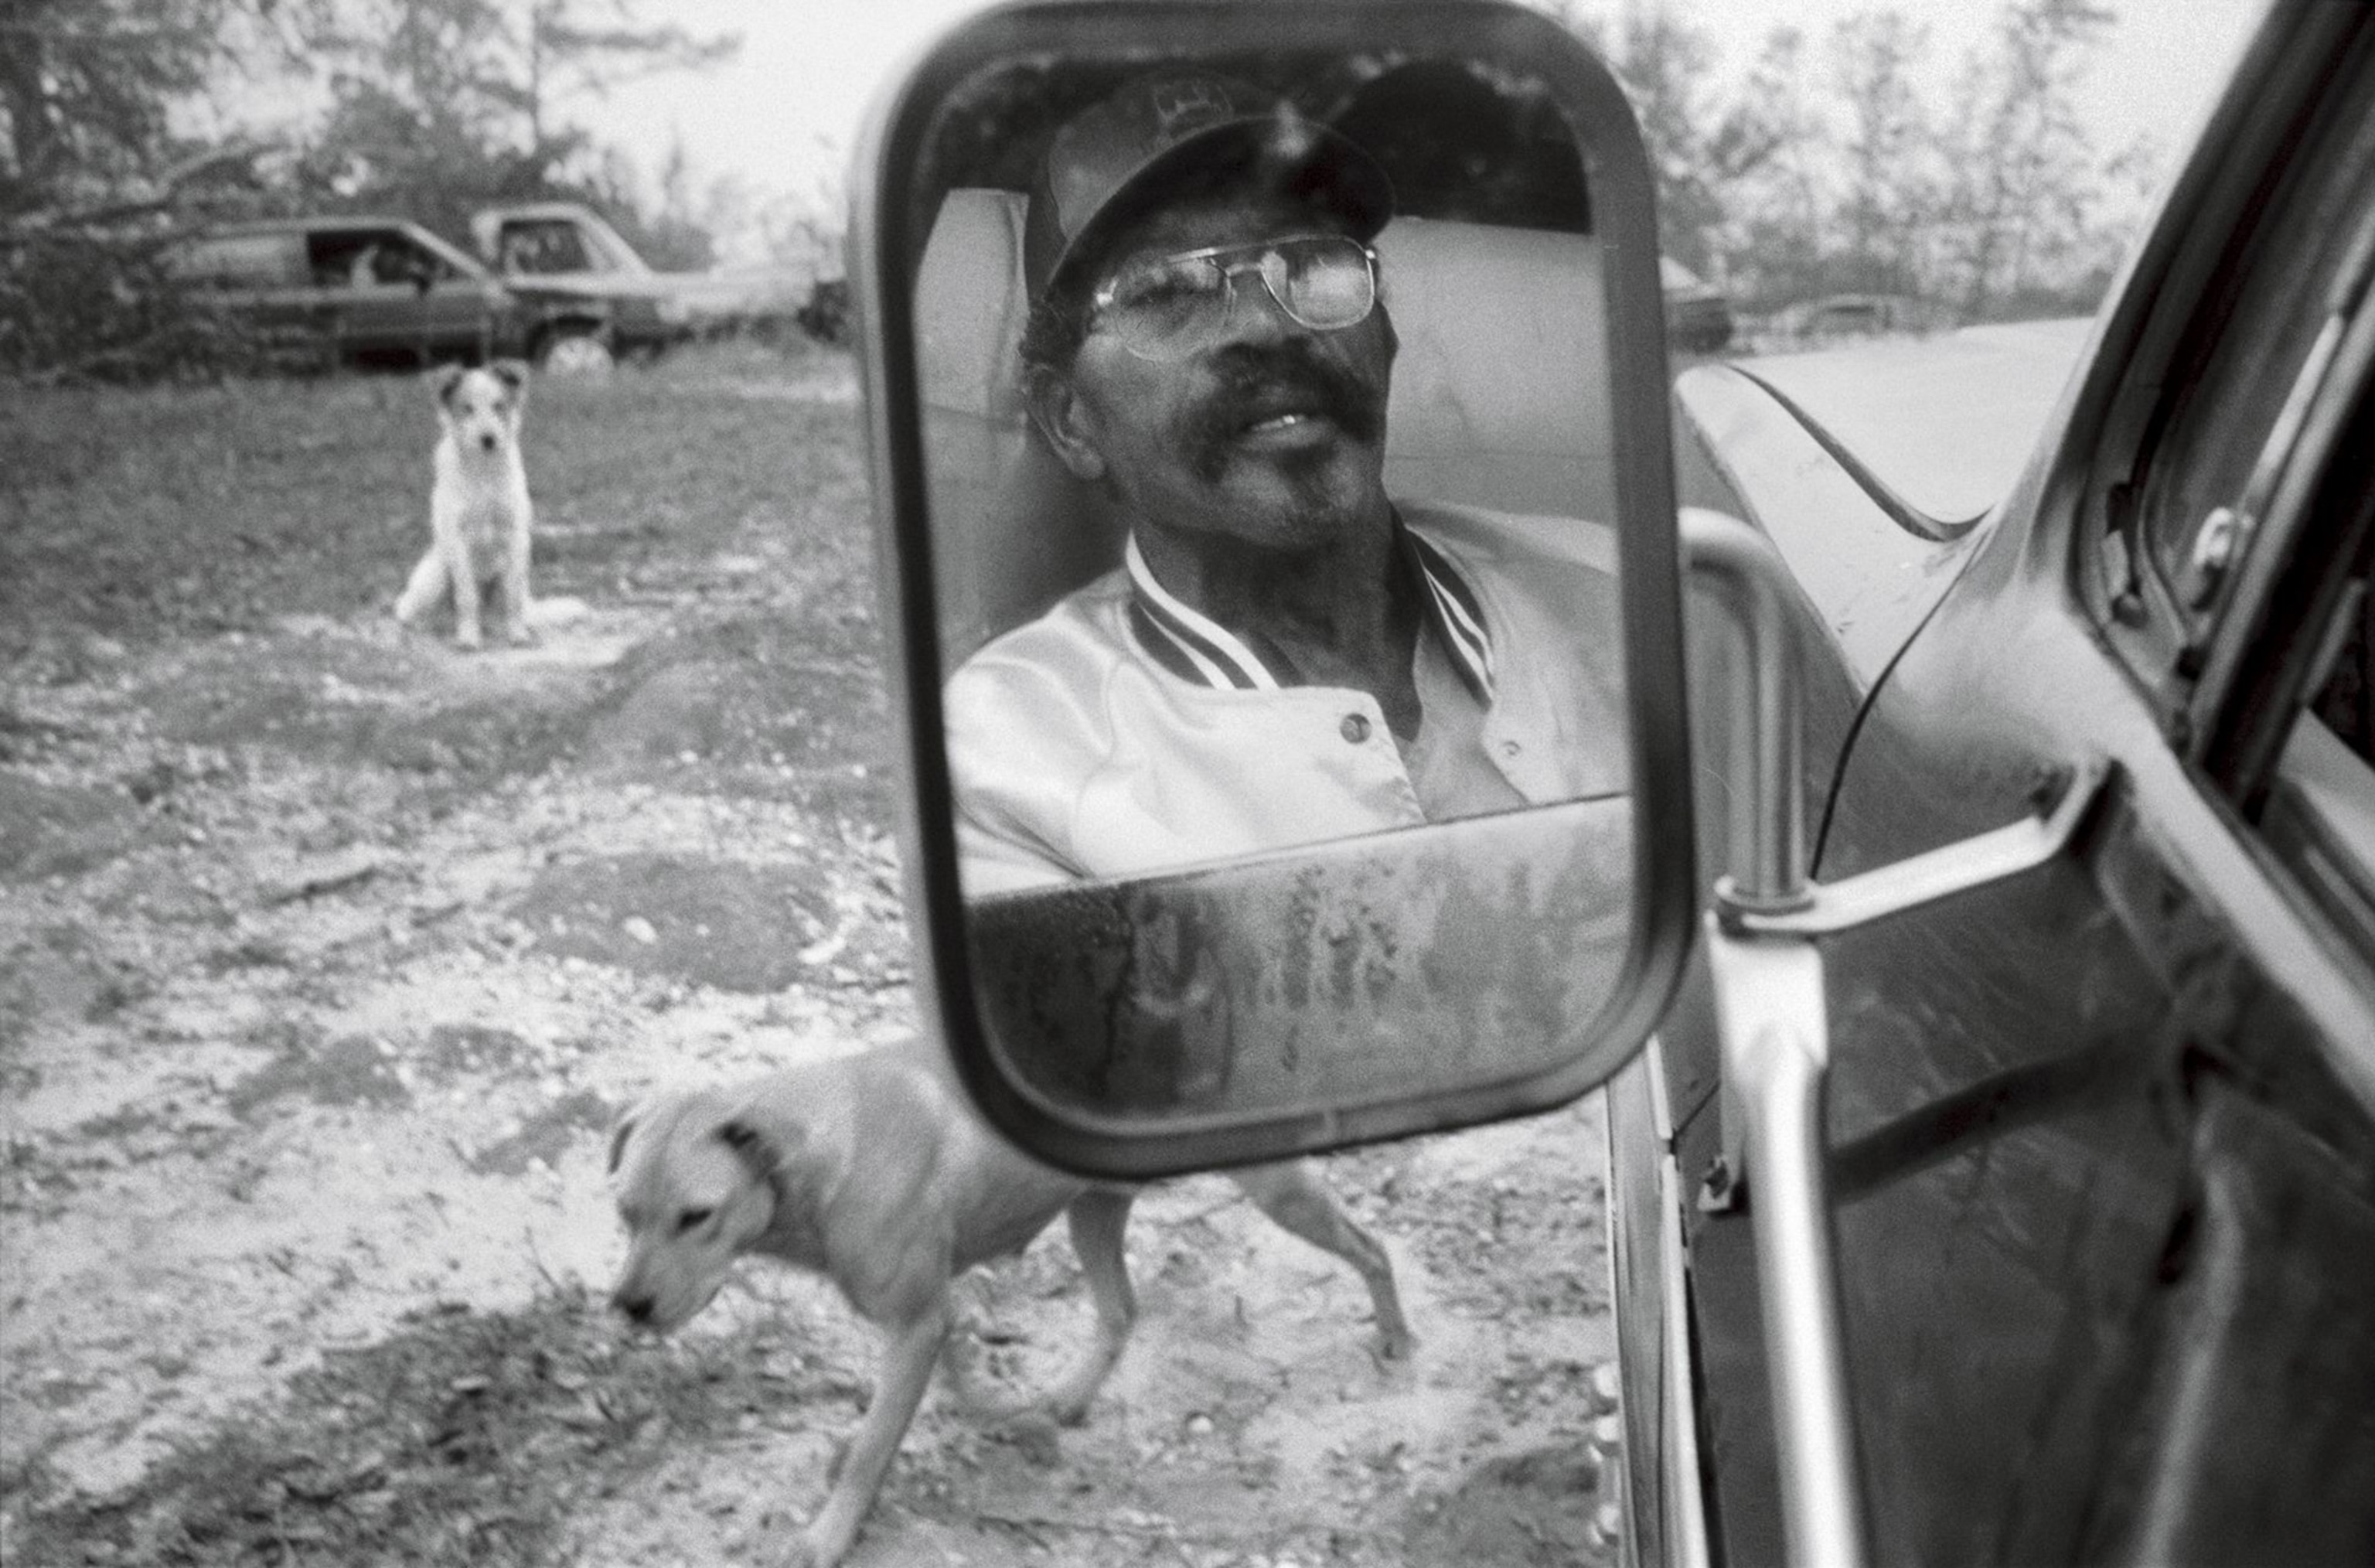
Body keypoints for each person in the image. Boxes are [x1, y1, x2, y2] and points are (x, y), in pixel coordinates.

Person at [946, 73, 1629, 897]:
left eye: (1311, 263)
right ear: (1070, 422)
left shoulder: (1621, 594)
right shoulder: (1011, 760)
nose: (1270, 324)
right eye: (1165, 292)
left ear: (1387, 333)